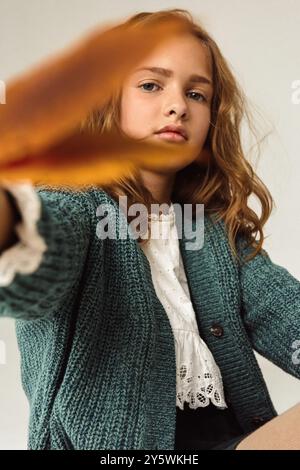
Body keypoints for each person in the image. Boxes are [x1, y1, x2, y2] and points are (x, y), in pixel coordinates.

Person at [0, 8, 299, 451]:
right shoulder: (76, 206)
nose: (178, 104)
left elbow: (285, 311)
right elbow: (35, 266)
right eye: (150, 85)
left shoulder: (213, 232)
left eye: (197, 94)